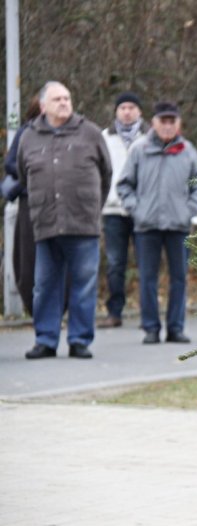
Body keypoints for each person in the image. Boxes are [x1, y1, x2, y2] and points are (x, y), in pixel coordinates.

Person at [17, 81, 112, 359]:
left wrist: (92, 207)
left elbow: (106, 174)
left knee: (84, 282)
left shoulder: (91, 133)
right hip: (45, 223)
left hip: (83, 223)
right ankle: (45, 339)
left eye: (67, 98)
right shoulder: (28, 137)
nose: (64, 103)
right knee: (45, 284)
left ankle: (79, 340)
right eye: (57, 99)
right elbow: (24, 176)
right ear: (43, 105)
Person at [116, 101, 197, 345]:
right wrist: (137, 210)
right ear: (153, 123)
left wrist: (189, 211)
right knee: (148, 278)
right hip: (147, 226)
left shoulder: (187, 151)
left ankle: (176, 328)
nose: (167, 126)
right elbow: (124, 184)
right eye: (162, 121)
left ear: (178, 124)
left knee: (179, 277)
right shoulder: (140, 149)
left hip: (178, 226)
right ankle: (151, 328)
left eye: (171, 121)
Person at [97, 92, 149, 328]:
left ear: (139, 111)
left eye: (131, 107)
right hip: (113, 209)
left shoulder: (151, 137)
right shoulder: (104, 137)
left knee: (145, 262)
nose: (127, 111)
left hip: (143, 209)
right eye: (122, 108)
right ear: (116, 112)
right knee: (116, 263)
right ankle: (114, 312)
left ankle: (148, 313)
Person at [2, 94, 42, 315]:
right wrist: (37, 171)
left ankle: (56, 307)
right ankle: (33, 306)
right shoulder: (26, 132)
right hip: (30, 199)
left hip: (62, 203)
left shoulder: (72, 132)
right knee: (27, 258)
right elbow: (10, 163)